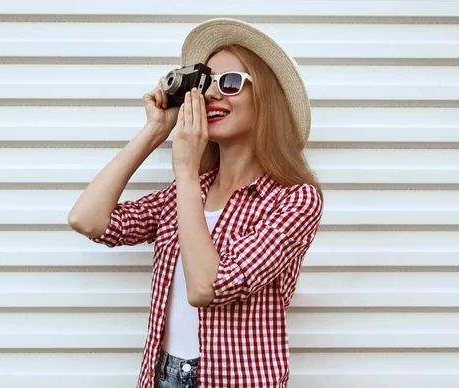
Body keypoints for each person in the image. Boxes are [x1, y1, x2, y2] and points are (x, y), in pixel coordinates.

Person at [68, 18, 324, 388]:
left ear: (267, 97)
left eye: (231, 83)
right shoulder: (190, 190)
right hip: (164, 375)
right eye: (206, 84)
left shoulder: (293, 200)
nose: (212, 95)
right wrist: (156, 130)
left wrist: (186, 168)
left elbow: (208, 287)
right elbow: (88, 220)